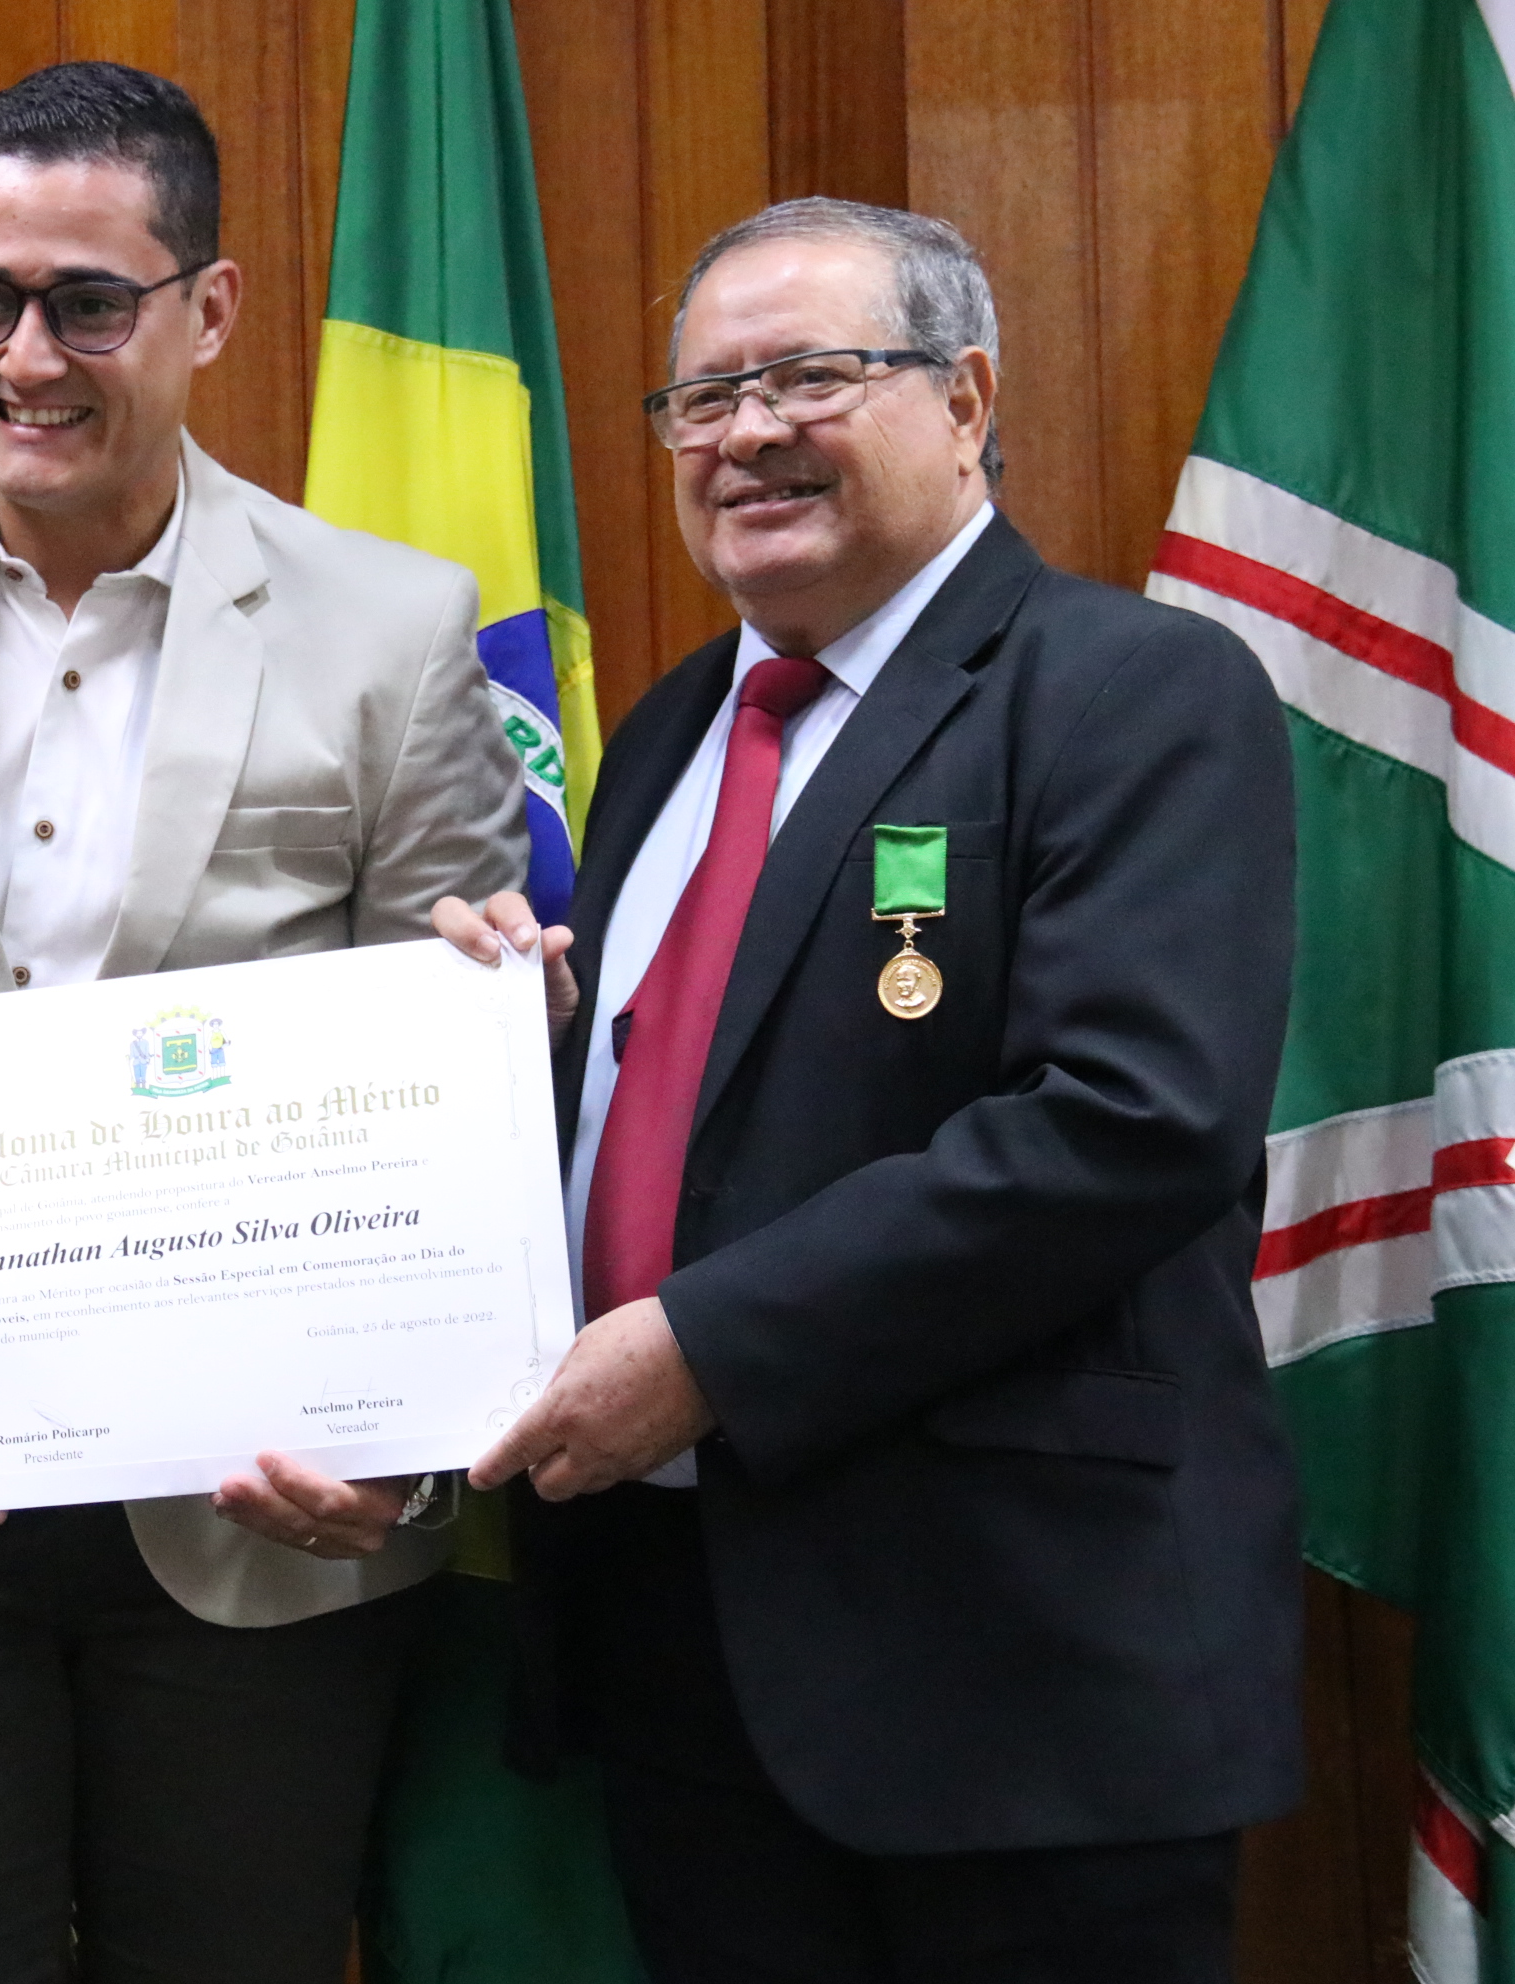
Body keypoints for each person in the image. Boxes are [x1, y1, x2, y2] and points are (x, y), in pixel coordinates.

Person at [0, 61, 533, 1984]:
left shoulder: (392, 628)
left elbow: (457, 1088)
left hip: (261, 1513)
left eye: (87, 304)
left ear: (208, 311)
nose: (26, 358)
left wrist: (398, 1442)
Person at [439, 197, 1301, 1981]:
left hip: (1016, 1672)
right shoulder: (668, 734)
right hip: (682, 1638)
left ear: (965, 399)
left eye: (810, 377)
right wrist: (502, 1056)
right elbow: (698, 1105)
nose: (747, 433)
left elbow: (1127, 1120)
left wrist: (703, 1352)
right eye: (704, 398)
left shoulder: (1134, 689)